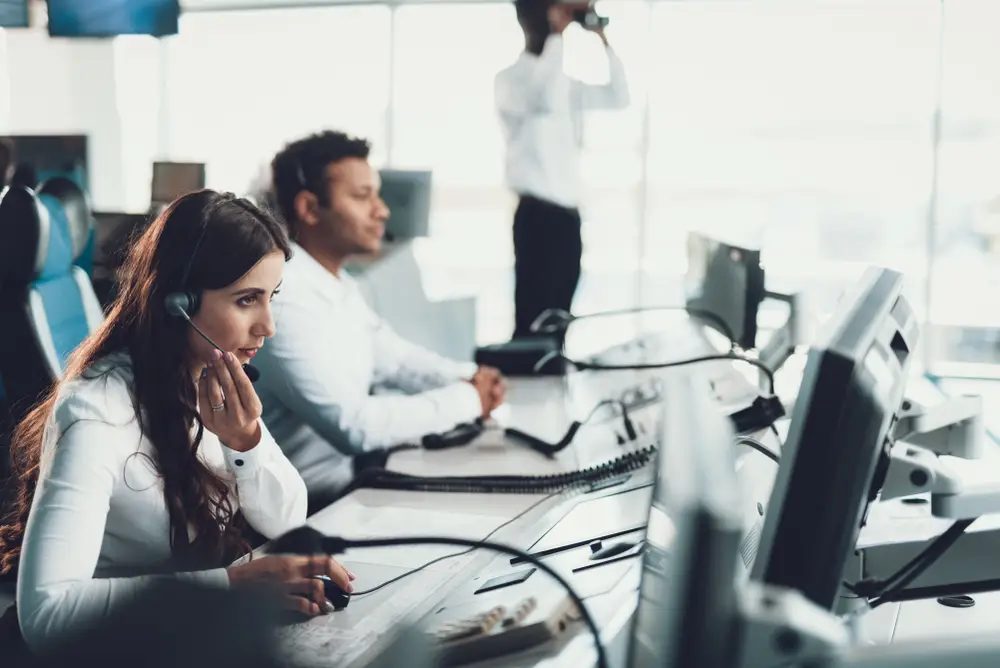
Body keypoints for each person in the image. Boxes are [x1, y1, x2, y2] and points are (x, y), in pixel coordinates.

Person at [0, 190, 353, 653]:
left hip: (176, 638)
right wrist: (231, 585)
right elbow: (47, 614)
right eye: (247, 300)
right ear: (178, 303)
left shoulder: (209, 379)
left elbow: (287, 519)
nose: (268, 325)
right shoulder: (96, 415)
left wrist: (245, 443)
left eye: (271, 298)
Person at [257, 131, 506, 511]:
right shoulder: (282, 296)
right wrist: (469, 397)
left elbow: (396, 359)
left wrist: (470, 376)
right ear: (309, 208)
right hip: (303, 512)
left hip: (344, 488)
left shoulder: (336, 284)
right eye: (362, 197)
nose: (382, 211)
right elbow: (354, 427)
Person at [495, 0, 630, 341]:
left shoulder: (565, 84)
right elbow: (544, 99)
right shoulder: (511, 81)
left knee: (561, 317)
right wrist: (556, 37)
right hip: (536, 216)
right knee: (532, 316)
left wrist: (601, 38)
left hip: (568, 217)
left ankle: (553, 390)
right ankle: (526, 386)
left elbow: (619, 97)